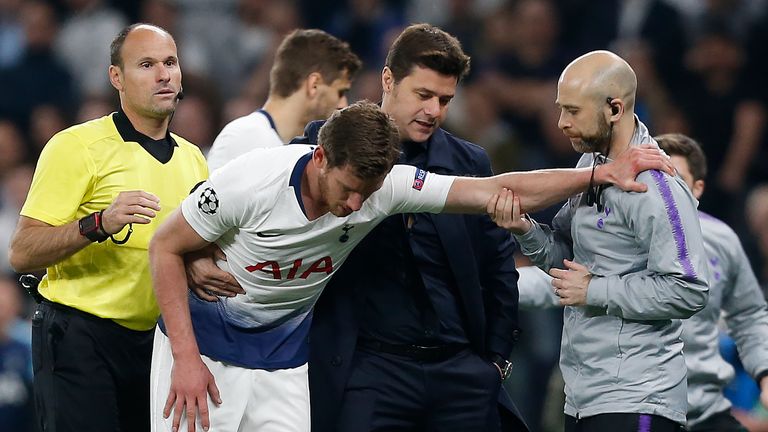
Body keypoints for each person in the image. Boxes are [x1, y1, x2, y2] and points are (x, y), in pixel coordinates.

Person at [149, 100, 674, 432]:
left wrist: (599, 174)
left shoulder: (388, 187)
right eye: (350, 189)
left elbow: (498, 190)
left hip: (284, 358)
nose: (357, 207)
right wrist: (186, 358)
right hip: (203, 351)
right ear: (321, 158)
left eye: (368, 194)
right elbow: (164, 247)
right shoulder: (251, 180)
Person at [297, 23, 526, 431]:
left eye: (445, 100)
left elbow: (498, 266)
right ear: (388, 79)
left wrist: (495, 360)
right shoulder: (328, 144)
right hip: (370, 370)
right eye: (423, 95)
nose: (434, 111)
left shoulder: (469, 163)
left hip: (460, 373)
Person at [489, 51, 710, 431]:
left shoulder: (655, 187)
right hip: (584, 394)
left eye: (573, 111)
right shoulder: (589, 167)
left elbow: (689, 288)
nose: (561, 122)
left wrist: (597, 290)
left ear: (615, 109)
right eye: (561, 109)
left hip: (641, 396)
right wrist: (525, 230)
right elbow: (567, 262)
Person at [8, 23, 208, 432]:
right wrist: (97, 223)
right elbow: (22, 252)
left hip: (154, 342)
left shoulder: (194, 161)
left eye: (170, 62)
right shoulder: (75, 146)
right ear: (116, 77)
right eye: (147, 64)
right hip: (80, 338)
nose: (164, 74)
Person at [513, 133, 768, 431]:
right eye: (653, 180)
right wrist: (491, 282)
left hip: (702, 409)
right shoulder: (612, 239)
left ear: (697, 190)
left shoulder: (721, 241)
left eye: (675, 182)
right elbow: (560, 282)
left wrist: (765, 372)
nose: (664, 194)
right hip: (635, 399)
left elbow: (748, 314)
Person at [205, 28, 361, 172]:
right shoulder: (246, 138)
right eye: (340, 92)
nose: (343, 105)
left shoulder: (302, 151)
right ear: (314, 85)